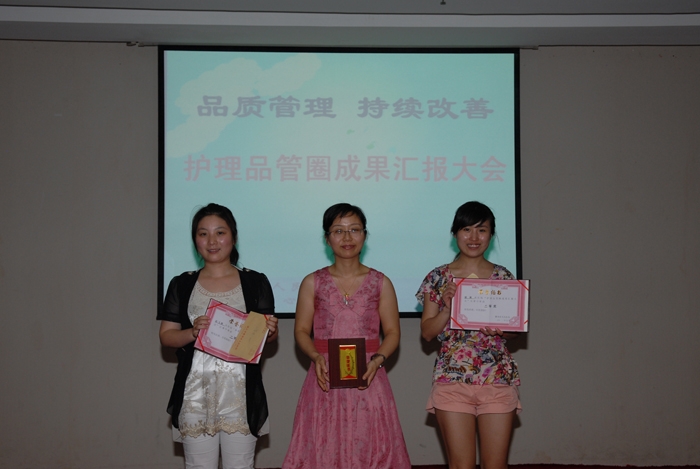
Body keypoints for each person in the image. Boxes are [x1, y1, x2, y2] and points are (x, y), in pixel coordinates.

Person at [282, 203, 411, 469]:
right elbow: (301, 331)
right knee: (323, 448)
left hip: (369, 376)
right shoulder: (312, 282)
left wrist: (378, 359)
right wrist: (316, 356)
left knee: (371, 446)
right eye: (338, 231)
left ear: (365, 235)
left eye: (354, 230)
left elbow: (393, 332)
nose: (347, 237)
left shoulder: (381, 282)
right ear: (327, 238)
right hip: (325, 377)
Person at [157, 203, 278, 469]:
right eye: (203, 234)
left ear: (233, 236)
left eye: (220, 232)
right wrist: (192, 332)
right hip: (195, 394)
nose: (212, 241)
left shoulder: (256, 282)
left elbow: (264, 338)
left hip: (240, 394)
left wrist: (270, 331)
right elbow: (166, 336)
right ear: (195, 240)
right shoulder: (182, 283)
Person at [417, 201, 522, 469]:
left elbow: (514, 332)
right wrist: (447, 309)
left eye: (482, 230)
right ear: (455, 233)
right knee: (461, 465)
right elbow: (427, 332)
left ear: (491, 234)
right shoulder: (438, 277)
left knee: (495, 465)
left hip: (497, 379)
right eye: (466, 229)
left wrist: (504, 330)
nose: (474, 237)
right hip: (452, 380)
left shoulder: (504, 277)